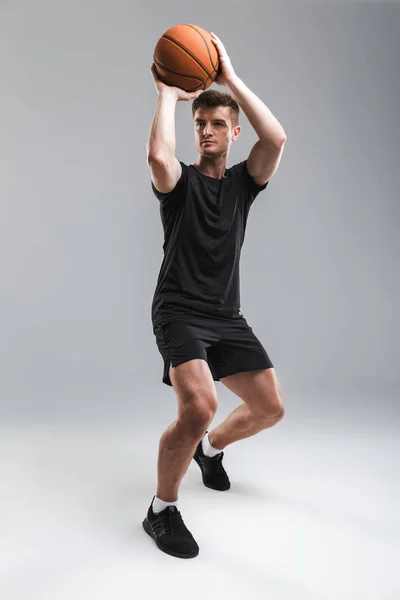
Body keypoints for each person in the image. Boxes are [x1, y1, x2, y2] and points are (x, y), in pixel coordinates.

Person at [142, 32, 287, 559]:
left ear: (233, 132)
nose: (205, 131)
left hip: (227, 316)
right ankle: (161, 511)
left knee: (270, 409)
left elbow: (277, 139)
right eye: (199, 123)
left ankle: (211, 450)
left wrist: (230, 79)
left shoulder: (243, 184)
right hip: (178, 311)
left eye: (216, 124)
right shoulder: (179, 184)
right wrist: (166, 92)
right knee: (200, 404)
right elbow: (157, 155)